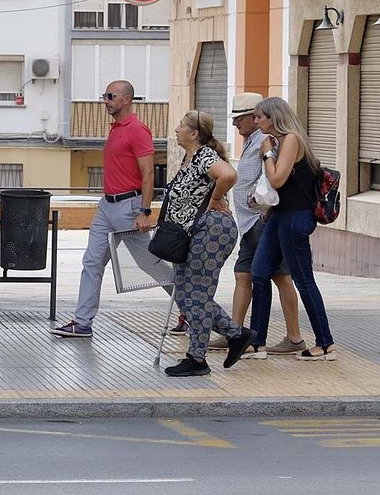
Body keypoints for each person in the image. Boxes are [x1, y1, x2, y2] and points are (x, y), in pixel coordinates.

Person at [53, 80, 164, 338]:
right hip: (106, 206)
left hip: (129, 207)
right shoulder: (115, 129)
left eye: (111, 96)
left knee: (148, 264)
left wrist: (145, 211)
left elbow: (148, 174)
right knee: (91, 261)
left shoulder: (137, 130)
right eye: (104, 96)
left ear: (127, 99)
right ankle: (82, 323)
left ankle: (189, 310)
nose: (105, 100)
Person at [161, 111, 253, 376]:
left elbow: (228, 175)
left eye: (181, 125)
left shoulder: (204, 156)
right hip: (191, 233)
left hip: (211, 232)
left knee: (197, 295)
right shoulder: (188, 159)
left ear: (194, 134)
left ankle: (197, 358)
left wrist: (214, 200)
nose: (176, 129)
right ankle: (236, 335)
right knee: (185, 294)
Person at [247, 96, 338, 361]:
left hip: (295, 218)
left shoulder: (291, 140)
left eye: (258, 117)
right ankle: (257, 343)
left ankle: (325, 344)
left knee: (303, 279)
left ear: (273, 118)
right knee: (260, 272)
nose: (255, 121)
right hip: (279, 216)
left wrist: (266, 152)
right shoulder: (280, 141)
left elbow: (276, 179)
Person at [227, 93, 303, 353]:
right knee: (242, 273)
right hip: (248, 224)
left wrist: (266, 211)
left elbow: (274, 180)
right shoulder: (251, 141)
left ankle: (293, 338)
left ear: (256, 117)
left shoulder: (267, 141)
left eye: (241, 119)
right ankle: (235, 333)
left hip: (261, 220)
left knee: (280, 277)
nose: (236, 124)